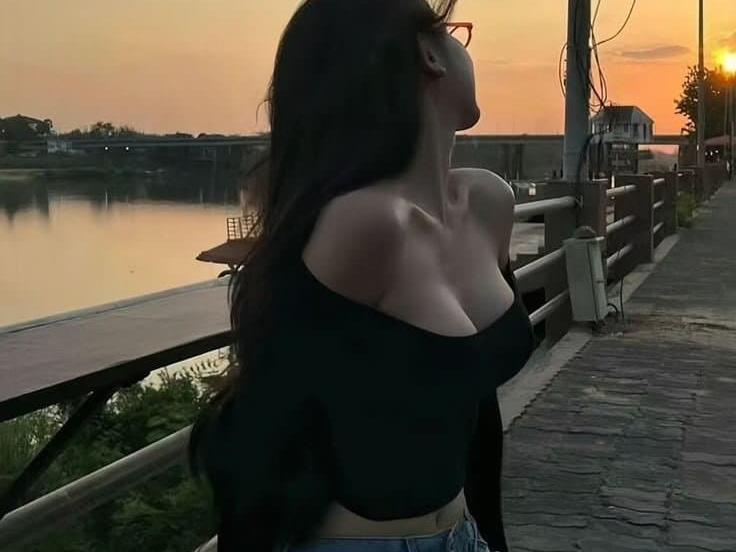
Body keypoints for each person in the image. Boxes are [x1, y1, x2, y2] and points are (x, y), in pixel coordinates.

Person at [187, 1, 538, 551]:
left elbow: (473, 397)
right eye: (456, 34)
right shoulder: (366, 225)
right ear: (428, 55)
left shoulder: (488, 202)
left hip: (461, 534)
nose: (465, 48)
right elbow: (260, 426)